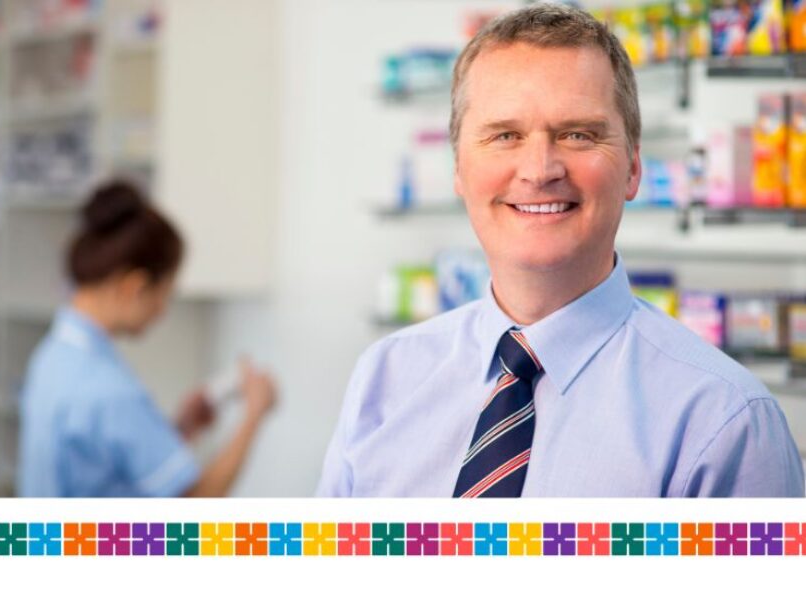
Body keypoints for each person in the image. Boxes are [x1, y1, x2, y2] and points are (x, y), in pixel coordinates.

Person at [317, 4, 804, 497]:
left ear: (633, 168)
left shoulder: (725, 421)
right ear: (459, 170)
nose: (539, 169)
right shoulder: (384, 378)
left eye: (577, 134)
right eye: (504, 135)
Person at [18, 180, 276, 497]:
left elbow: (103, 465)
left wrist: (182, 428)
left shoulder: (54, 355)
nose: (161, 311)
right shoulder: (109, 389)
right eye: (164, 293)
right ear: (134, 287)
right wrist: (254, 414)